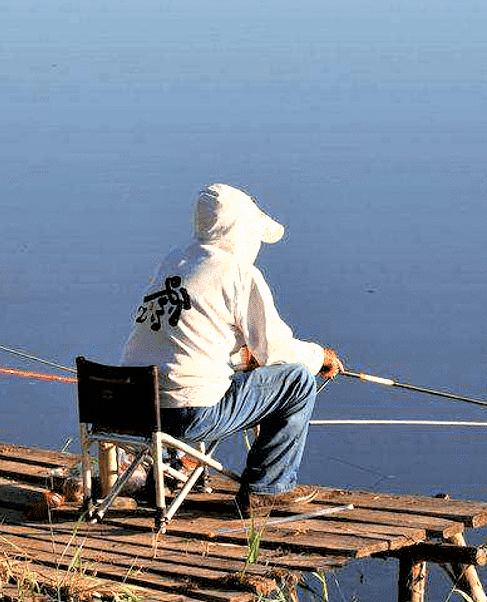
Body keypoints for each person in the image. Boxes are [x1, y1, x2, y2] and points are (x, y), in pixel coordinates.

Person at [121, 183, 342, 517]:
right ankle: (268, 487)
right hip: (186, 414)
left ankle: (168, 466)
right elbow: (276, 353)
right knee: (297, 380)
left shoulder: (175, 261)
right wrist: (319, 357)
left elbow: (185, 342)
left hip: (133, 411)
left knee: (236, 374)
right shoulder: (239, 273)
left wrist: (240, 358)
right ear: (242, 231)